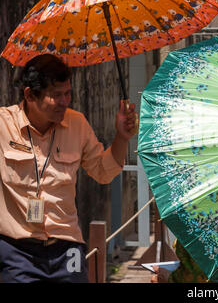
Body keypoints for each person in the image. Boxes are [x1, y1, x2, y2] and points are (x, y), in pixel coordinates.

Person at [0, 54, 137, 283]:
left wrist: (121, 137)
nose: (65, 101)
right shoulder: (4, 125)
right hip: (17, 252)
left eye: (68, 93)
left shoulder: (77, 124)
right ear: (29, 95)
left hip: (67, 249)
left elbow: (103, 172)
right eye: (56, 95)